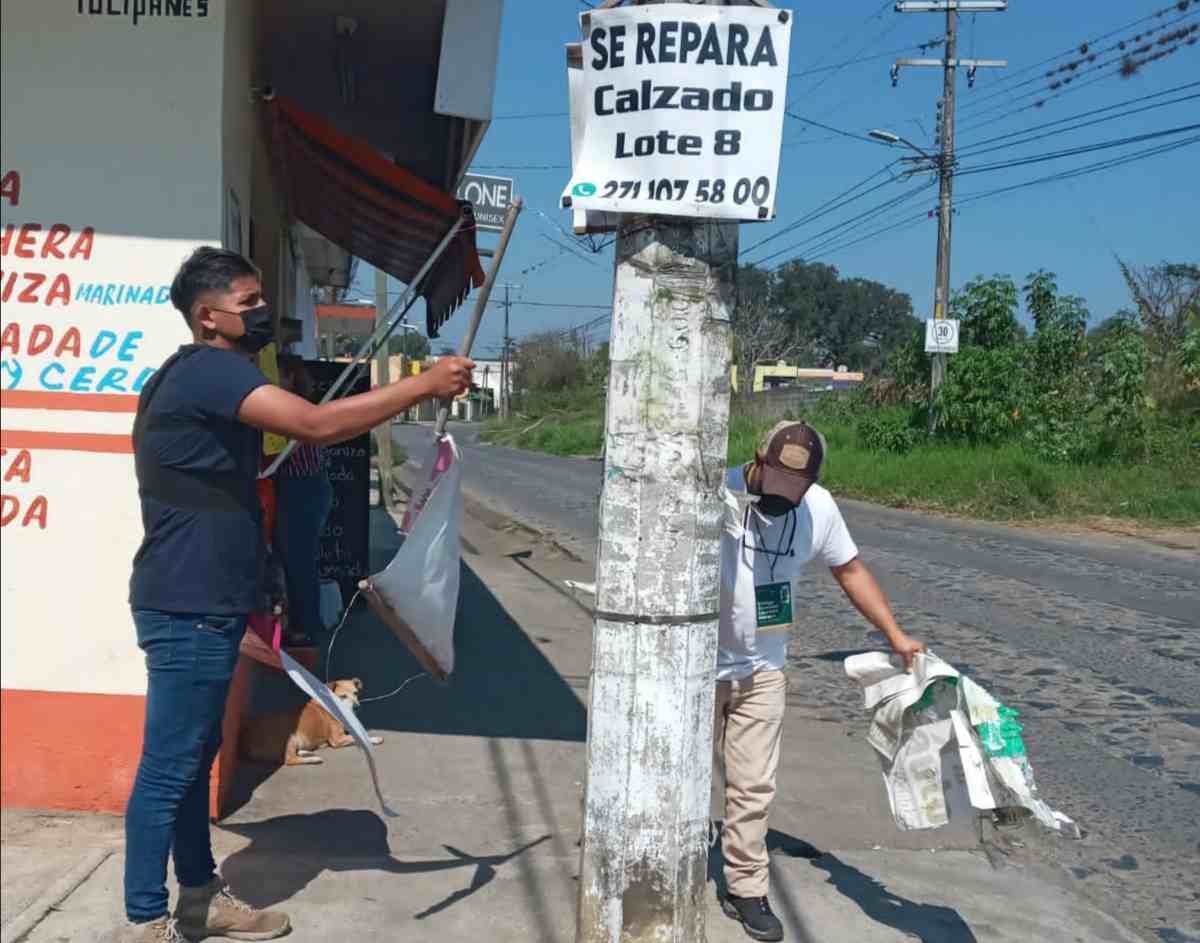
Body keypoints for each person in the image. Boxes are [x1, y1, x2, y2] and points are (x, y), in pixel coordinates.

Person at [122, 246, 472, 943]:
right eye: (249, 304)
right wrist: (423, 385)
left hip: (205, 599)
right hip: (188, 603)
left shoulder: (196, 377)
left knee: (192, 762)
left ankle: (198, 897)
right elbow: (313, 424)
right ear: (208, 316)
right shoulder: (210, 372)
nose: (261, 315)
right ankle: (143, 921)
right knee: (169, 768)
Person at [714, 421, 925, 943]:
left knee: (753, 787)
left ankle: (746, 887)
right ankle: (669, 861)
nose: (781, 501)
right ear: (757, 461)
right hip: (694, 666)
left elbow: (850, 570)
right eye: (773, 488)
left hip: (762, 669)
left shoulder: (820, 508)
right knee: (683, 780)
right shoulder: (715, 491)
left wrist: (895, 634)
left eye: (794, 493)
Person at [272, 355, 333, 647]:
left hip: (301, 488)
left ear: (291, 378)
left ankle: (305, 628)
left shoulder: (290, 409)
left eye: (277, 373)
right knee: (295, 559)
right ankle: (301, 623)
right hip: (304, 487)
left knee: (299, 561)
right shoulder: (293, 406)